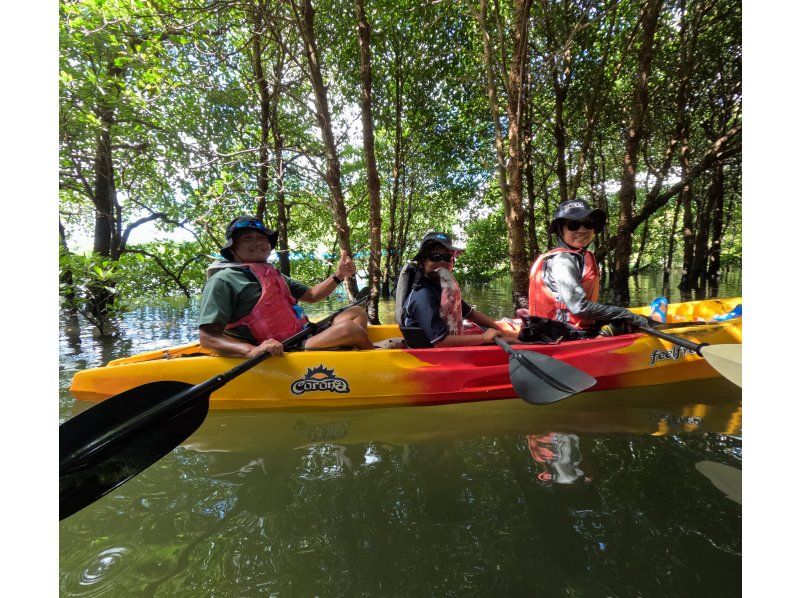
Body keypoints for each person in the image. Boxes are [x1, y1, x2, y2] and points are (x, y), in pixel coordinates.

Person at [199, 215, 372, 357]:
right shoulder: (222, 281)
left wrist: (340, 275)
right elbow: (207, 337)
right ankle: (371, 357)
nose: (258, 242)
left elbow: (312, 295)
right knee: (349, 330)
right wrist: (251, 351)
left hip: (303, 335)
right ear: (232, 248)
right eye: (248, 238)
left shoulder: (272, 274)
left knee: (356, 312)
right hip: (281, 349)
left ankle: (348, 353)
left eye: (262, 238)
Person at [525, 199, 653, 339]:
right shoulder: (563, 261)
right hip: (559, 335)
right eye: (573, 225)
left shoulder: (573, 257)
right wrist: (625, 314)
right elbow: (578, 307)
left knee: (617, 315)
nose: (582, 230)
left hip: (552, 329)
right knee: (623, 320)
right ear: (560, 230)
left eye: (588, 223)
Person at [399, 232, 519, 347]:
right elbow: (441, 342)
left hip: (443, 342)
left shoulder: (443, 289)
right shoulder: (423, 295)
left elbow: (471, 314)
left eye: (447, 257)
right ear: (422, 261)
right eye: (435, 256)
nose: (442, 261)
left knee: (511, 339)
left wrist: (500, 331)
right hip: (432, 350)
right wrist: (484, 337)